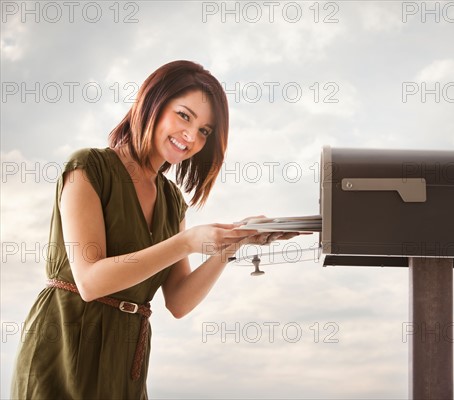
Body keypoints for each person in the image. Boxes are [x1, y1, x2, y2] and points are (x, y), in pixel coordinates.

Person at [11, 60, 292, 399]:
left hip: (126, 355)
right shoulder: (88, 168)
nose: (191, 136)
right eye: (184, 116)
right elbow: (90, 281)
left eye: (204, 130)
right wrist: (186, 242)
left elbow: (178, 300)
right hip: (65, 346)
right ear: (152, 104)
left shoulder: (172, 201)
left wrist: (233, 245)